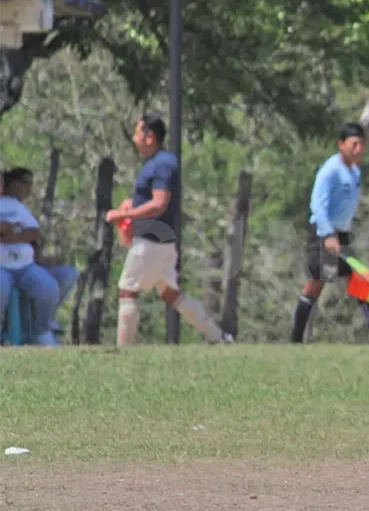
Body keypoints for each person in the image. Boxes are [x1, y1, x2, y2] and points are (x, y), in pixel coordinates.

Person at [105, 112, 229, 346]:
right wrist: (132, 206)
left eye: (137, 132)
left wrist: (122, 215)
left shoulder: (162, 164)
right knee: (171, 293)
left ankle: (122, 352)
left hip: (151, 241)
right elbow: (153, 201)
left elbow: (159, 203)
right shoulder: (159, 163)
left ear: (149, 136)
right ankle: (220, 338)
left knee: (127, 291)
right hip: (162, 242)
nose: (134, 138)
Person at [290, 122, 369, 344]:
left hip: (341, 234)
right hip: (323, 235)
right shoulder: (330, 170)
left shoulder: (354, 171)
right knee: (316, 283)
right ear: (341, 144)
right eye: (354, 144)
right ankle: (295, 340)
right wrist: (328, 235)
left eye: (362, 144)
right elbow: (318, 205)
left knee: (357, 281)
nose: (359, 149)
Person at [0, 167, 78, 335]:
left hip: (25, 266)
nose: (28, 189)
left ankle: (41, 329)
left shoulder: (16, 206)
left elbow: (33, 232)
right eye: (24, 183)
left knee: (51, 286)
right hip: (3, 268)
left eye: (31, 184)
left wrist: (11, 234)